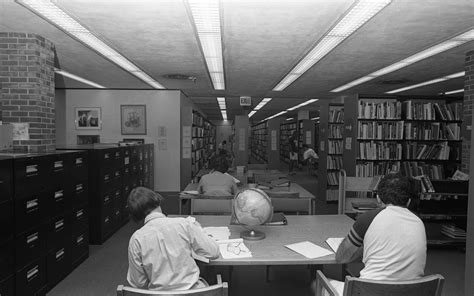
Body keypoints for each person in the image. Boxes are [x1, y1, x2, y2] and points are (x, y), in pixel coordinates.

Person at [314, 173, 426, 295]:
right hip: (411, 292)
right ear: (409, 201)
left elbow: (342, 257)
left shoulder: (368, 218)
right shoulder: (419, 222)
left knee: (316, 284)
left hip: (370, 291)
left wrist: (365, 247)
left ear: (378, 198)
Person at [127, 187, 220, 290]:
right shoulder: (184, 224)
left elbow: (139, 283)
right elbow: (214, 252)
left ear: (136, 216)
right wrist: (199, 230)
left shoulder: (136, 239)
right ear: (157, 201)